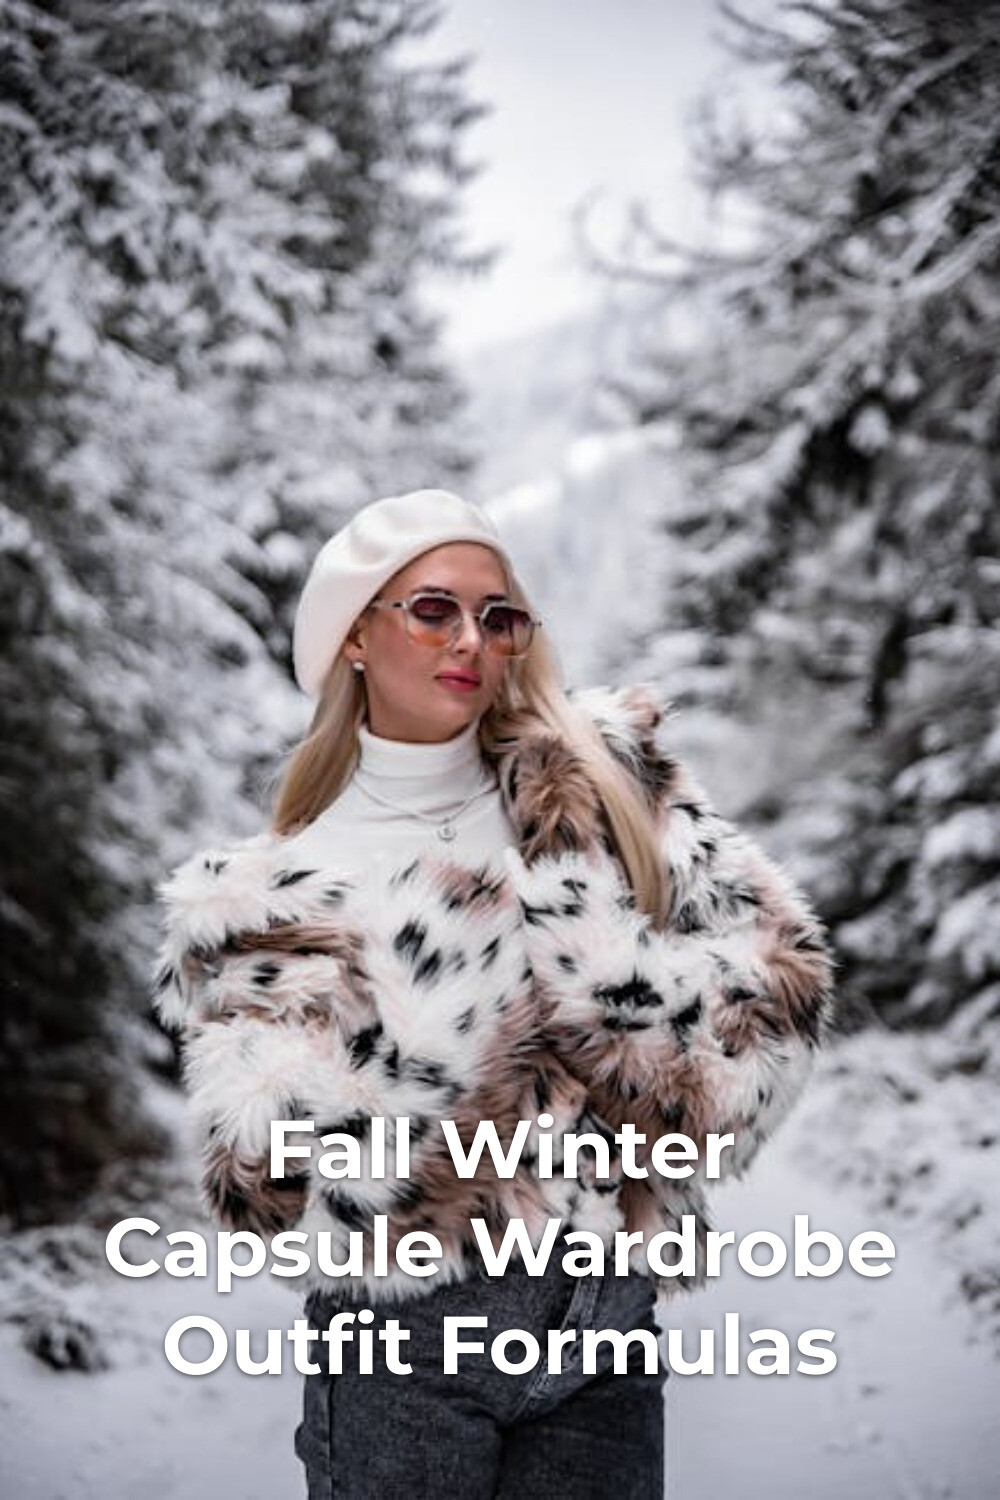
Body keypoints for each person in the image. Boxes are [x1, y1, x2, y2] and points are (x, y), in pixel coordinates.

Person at [153, 489, 835, 1499]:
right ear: (353, 636)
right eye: (434, 609)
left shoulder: (604, 794)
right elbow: (264, 1184)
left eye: (498, 615)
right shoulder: (268, 897)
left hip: (605, 1329)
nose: (471, 639)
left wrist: (585, 968)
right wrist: (490, 993)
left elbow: (776, 1009)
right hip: (402, 1343)